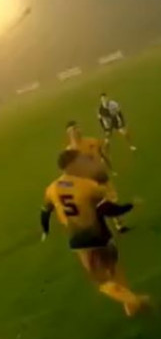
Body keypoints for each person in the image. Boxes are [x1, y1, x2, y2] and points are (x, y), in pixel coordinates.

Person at [40, 149, 149, 316]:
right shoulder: (87, 185)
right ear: (72, 165)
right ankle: (133, 302)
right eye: (81, 161)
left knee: (101, 280)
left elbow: (45, 211)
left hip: (77, 240)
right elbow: (108, 209)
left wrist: (45, 230)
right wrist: (131, 205)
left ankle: (130, 304)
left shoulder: (51, 188)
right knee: (114, 270)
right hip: (100, 234)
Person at [67, 120, 128, 233]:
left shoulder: (92, 141)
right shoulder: (70, 151)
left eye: (76, 128)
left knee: (112, 199)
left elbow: (103, 155)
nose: (76, 132)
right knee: (94, 207)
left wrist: (111, 168)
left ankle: (119, 225)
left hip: (100, 176)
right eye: (72, 130)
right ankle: (101, 230)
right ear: (69, 134)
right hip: (87, 182)